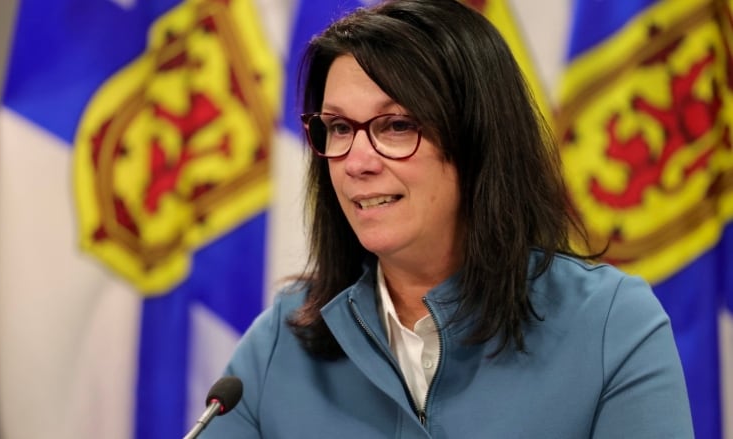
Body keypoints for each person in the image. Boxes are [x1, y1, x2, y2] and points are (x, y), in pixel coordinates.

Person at [202, 0, 694, 437]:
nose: (357, 161)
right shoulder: (278, 342)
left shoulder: (612, 325)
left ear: (480, 139)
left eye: (396, 126)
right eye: (338, 128)